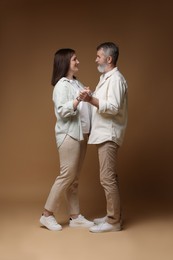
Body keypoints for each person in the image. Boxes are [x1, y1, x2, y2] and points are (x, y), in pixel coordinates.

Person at [39, 48, 94, 231]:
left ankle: (75, 216)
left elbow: (86, 106)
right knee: (67, 175)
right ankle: (47, 215)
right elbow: (62, 111)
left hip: (81, 134)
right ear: (65, 63)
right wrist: (78, 100)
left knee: (74, 179)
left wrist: (86, 95)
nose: (78, 62)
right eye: (74, 60)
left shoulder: (77, 83)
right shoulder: (62, 85)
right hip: (69, 134)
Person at [79, 42, 128, 233]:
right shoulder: (106, 78)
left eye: (98, 56)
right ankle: (112, 216)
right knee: (109, 177)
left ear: (109, 59)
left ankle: (114, 222)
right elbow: (104, 104)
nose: (95, 59)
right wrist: (90, 96)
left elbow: (113, 107)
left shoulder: (115, 79)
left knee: (107, 178)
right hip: (104, 133)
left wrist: (90, 99)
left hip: (109, 133)